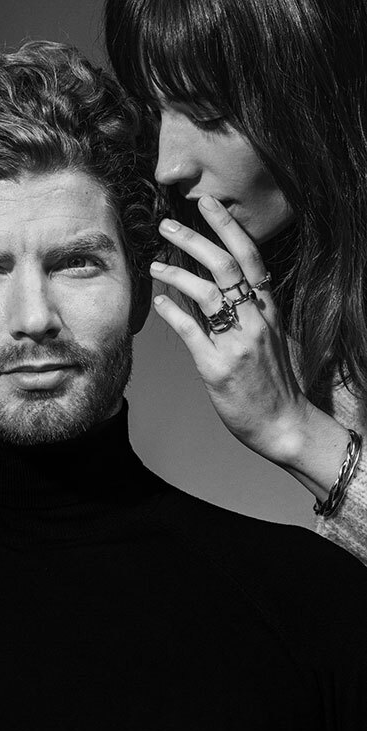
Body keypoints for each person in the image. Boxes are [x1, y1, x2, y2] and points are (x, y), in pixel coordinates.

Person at [0, 40, 367, 731]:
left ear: (141, 291)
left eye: (77, 263)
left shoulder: (311, 601)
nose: (33, 317)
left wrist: (294, 431)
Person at [104, 0, 367, 565]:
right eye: (155, 113)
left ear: (319, 89)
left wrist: (293, 431)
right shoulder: (314, 288)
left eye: (205, 113)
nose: (168, 166)